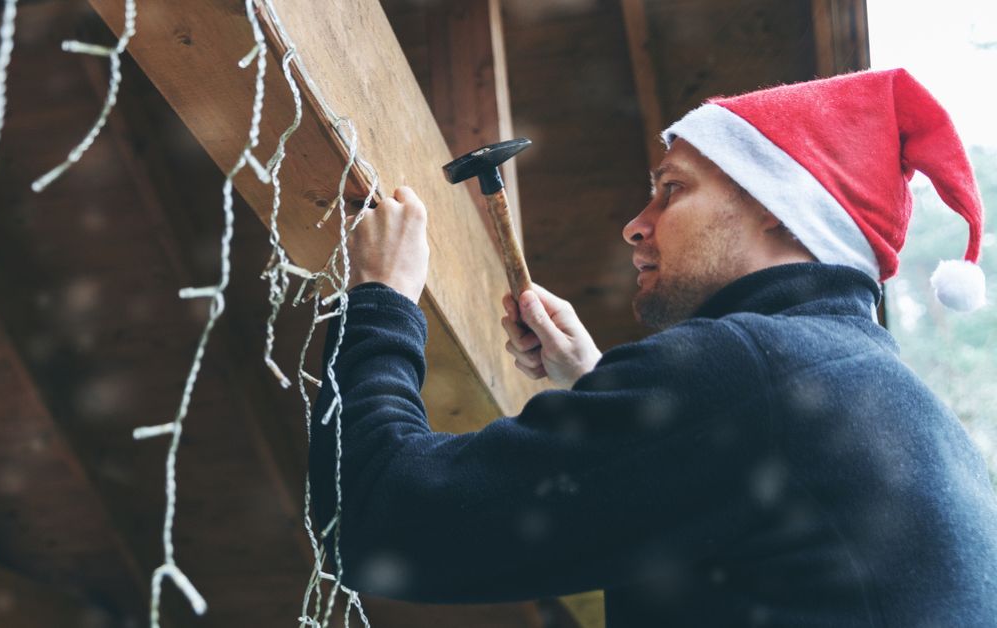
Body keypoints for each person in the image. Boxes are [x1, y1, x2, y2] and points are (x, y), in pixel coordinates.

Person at [308, 68, 997, 627]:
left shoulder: (743, 373)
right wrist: (599, 384)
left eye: (672, 190)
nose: (636, 226)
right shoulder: (883, 395)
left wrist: (382, 298)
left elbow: (375, 521)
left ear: (779, 207)